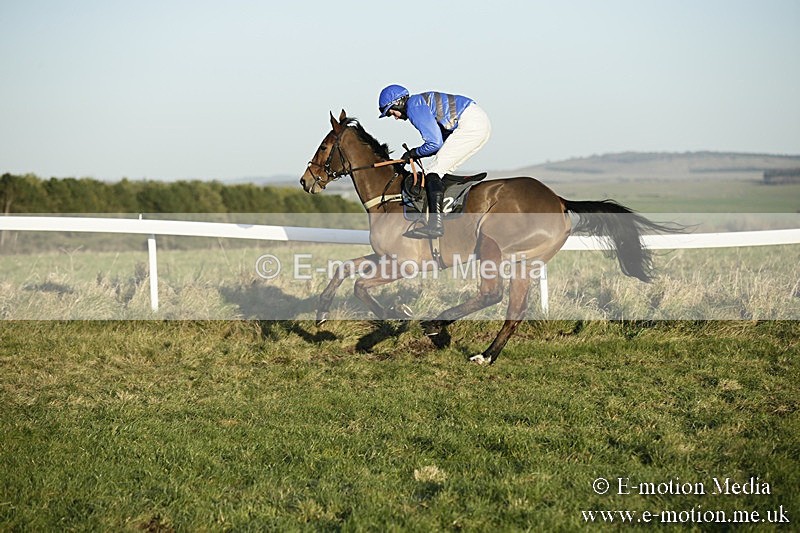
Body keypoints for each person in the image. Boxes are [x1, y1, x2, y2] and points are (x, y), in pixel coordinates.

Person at [378, 84, 491, 239]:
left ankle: (435, 225)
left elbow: (434, 144)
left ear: (398, 102)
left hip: (470, 123)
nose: (395, 117)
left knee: (434, 172)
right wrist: (414, 154)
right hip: (475, 121)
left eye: (391, 112)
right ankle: (446, 213)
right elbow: (438, 145)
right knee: (440, 169)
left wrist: (413, 153)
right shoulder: (418, 104)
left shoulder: (414, 106)